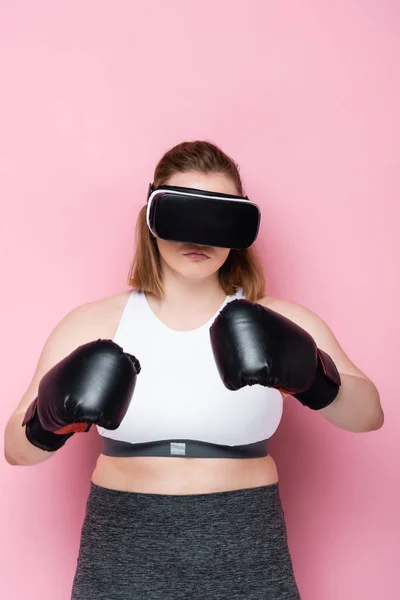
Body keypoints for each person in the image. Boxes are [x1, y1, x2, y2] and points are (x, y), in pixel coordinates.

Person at [4, 140, 383, 599]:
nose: (198, 237)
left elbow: (368, 416)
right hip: (122, 553)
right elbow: (17, 451)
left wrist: (314, 375)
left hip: (246, 551)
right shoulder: (93, 323)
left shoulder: (280, 322)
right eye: (183, 215)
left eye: (217, 218)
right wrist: (49, 417)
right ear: (151, 220)